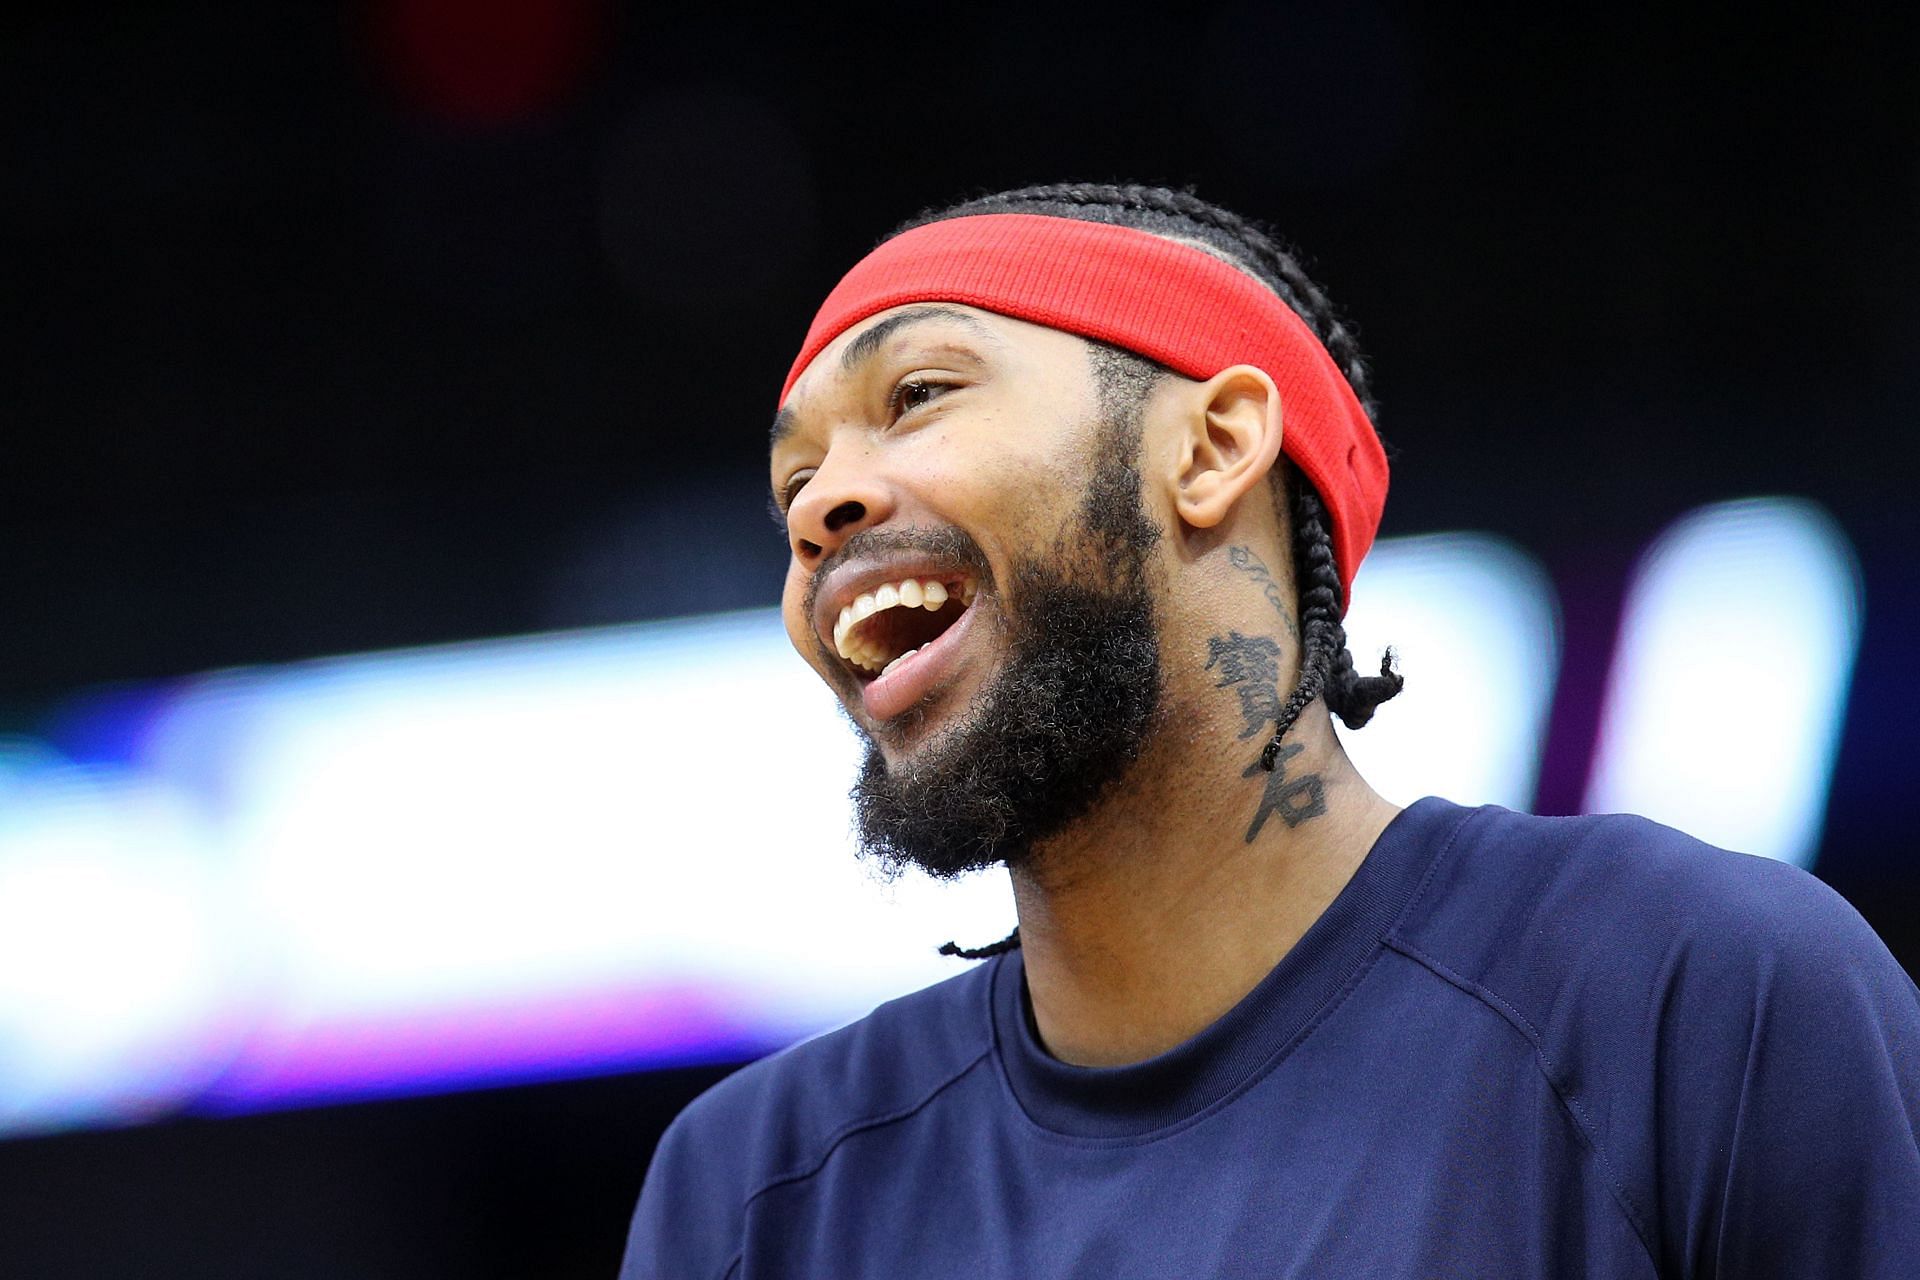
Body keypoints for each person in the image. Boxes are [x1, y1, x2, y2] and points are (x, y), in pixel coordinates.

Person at [620, 184, 1920, 1278]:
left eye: (917, 395)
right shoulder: (752, 1196)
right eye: (796, 481)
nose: (820, 508)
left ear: (1214, 446)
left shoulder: (1686, 991)